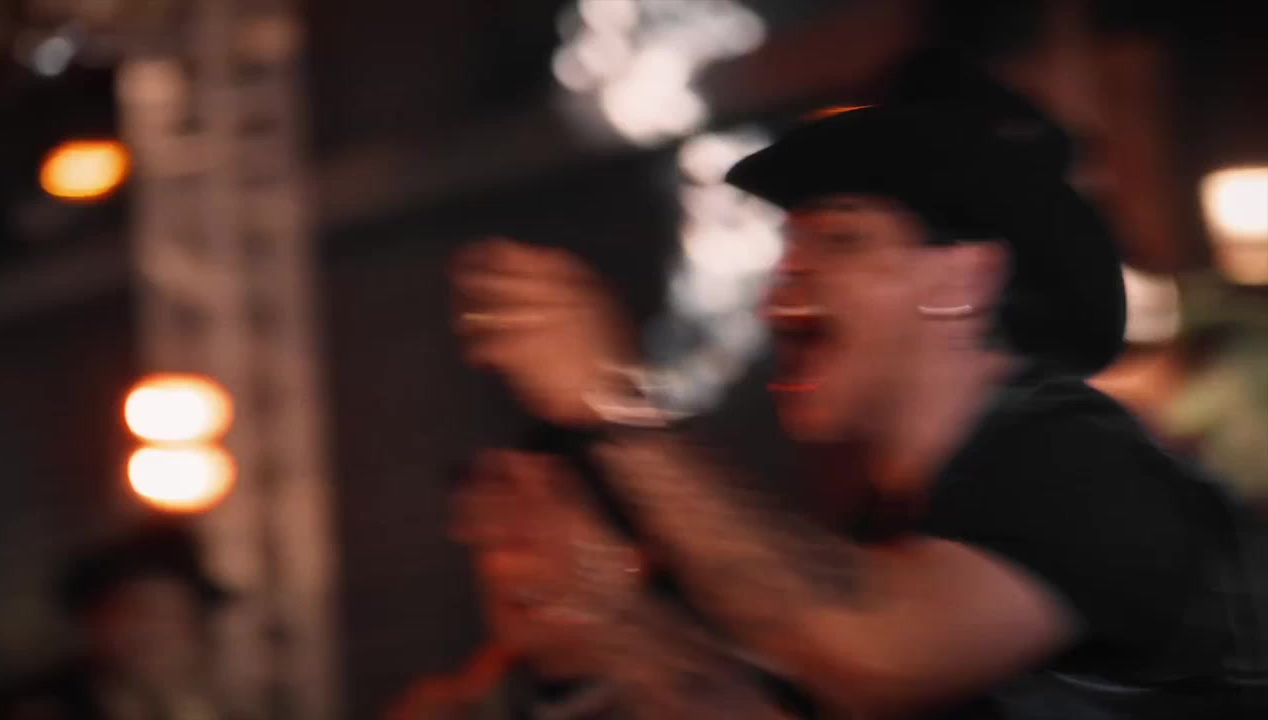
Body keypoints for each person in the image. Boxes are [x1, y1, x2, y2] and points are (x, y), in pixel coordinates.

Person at [450, 65, 1268, 719]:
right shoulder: (904, 525)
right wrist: (604, 608)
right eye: (788, 249)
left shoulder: (1079, 467)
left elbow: (882, 653)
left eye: (839, 239)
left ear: (964, 280)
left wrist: (614, 408)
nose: (780, 293)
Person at [387, 439, 792, 720]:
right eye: (492, 537)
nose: (502, 567)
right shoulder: (477, 703)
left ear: (632, 557)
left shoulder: (725, 695)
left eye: (531, 535)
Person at [0, 522, 235, 720]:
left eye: (172, 618)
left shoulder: (212, 706)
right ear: (95, 622)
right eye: (135, 613)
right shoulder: (36, 709)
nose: (152, 634)